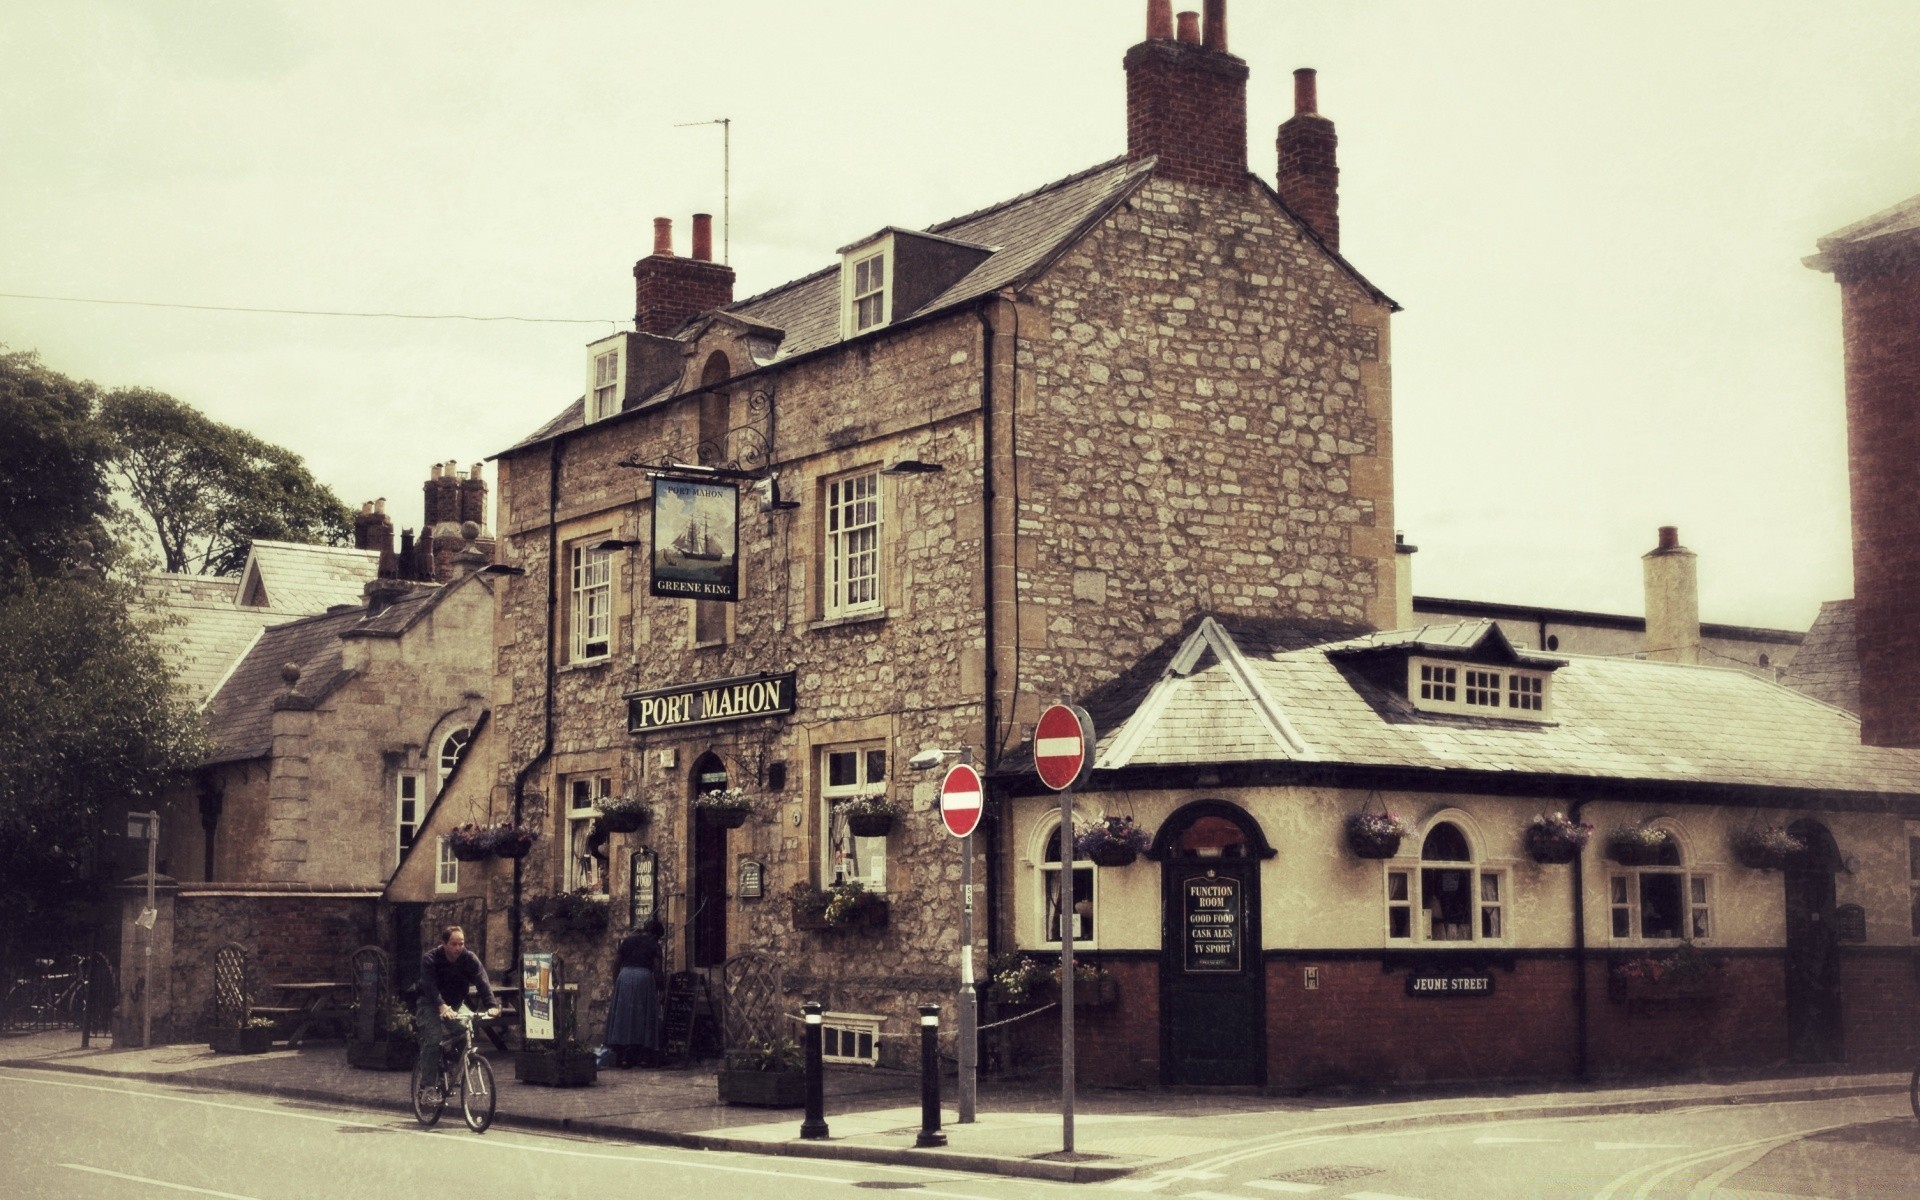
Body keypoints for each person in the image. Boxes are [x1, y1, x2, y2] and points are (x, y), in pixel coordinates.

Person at [416, 925, 499, 1098]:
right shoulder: (431, 959)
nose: (458, 948)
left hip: (456, 1003)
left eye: (461, 944)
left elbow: (482, 981)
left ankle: (454, 1066)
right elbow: (429, 986)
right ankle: (427, 1087)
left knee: (466, 1031)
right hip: (430, 1004)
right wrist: (442, 1006)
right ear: (444, 944)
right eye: (454, 944)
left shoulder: (468, 959)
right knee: (433, 1040)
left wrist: (492, 1005)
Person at [603, 918, 664, 1068]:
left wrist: (616, 981)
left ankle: (623, 1055)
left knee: (623, 1015)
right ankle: (643, 1055)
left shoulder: (628, 941)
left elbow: (616, 962)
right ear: (656, 935)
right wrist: (661, 988)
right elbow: (657, 969)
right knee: (643, 1015)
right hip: (643, 977)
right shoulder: (654, 945)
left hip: (624, 976)